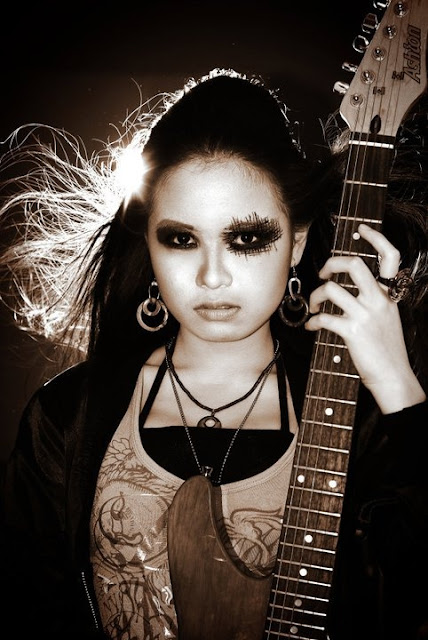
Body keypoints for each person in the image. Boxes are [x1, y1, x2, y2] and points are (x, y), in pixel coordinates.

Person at [0, 68, 427, 640]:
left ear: (297, 240)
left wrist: (399, 387)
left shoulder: (358, 418)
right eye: (181, 239)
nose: (211, 276)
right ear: (148, 242)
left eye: (246, 239)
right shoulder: (65, 418)